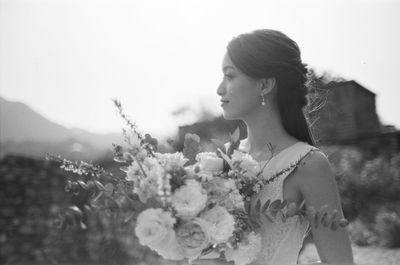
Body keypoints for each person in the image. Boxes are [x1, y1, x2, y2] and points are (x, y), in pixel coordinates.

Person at [192, 29, 354, 265]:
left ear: (265, 84)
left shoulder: (307, 164)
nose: (219, 88)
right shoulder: (222, 159)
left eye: (230, 76)